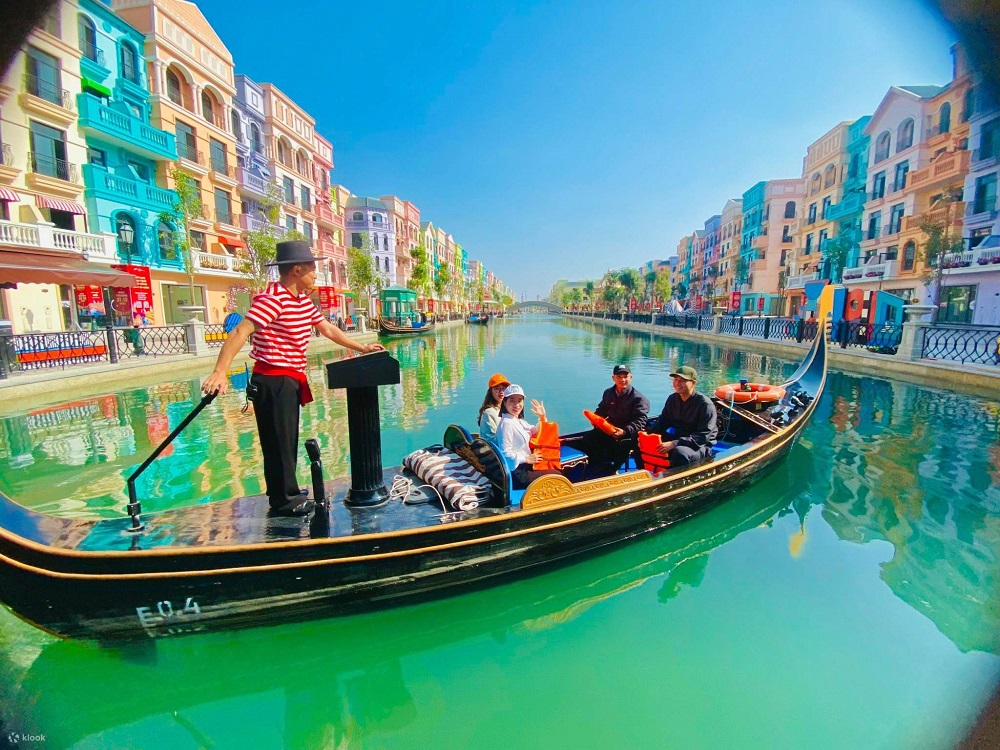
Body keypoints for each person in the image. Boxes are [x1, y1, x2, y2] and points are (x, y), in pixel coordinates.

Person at [202, 240, 385, 516]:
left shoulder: (301, 302)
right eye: (313, 270)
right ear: (297, 270)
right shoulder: (272, 299)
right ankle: (283, 499)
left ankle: (287, 489)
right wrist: (219, 371)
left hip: (290, 379)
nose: (316, 275)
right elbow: (241, 331)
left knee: (286, 439)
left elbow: (328, 330)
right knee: (277, 441)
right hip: (273, 380)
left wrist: (362, 347)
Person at [575, 364, 649, 477]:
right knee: (589, 437)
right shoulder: (608, 393)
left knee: (624, 444)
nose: (622, 380)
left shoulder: (638, 399)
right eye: (619, 377)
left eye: (625, 376)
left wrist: (624, 432)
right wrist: (595, 419)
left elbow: (640, 421)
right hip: (611, 429)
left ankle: (613, 469)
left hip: (628, 433)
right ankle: (595, 465)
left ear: (631, 377)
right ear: (613, 378)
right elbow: (601, 410)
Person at [647, 365, 717, 467]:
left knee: (680, 452)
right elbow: (662, 422)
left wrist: (674, 443)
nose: (677, 383)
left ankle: (674, 479)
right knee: (639, 439)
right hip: (678, 438)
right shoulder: (673, 399)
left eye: (682, 380)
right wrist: (646, 435)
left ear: (693, 383)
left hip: (700, 446)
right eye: (675, 379)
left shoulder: (705, 405)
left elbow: (703, 437)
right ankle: (644, 475)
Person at [496, 384, 561, 490]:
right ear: (504, 402)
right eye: (512, 400)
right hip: (519, 472)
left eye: (519, 400)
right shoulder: (506, 424)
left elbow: (535, 432)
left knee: (553, 465)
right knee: (557, 475)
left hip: (526, 466)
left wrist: (542, 417)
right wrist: (526, 459)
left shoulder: (518, 421)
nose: (516, 405)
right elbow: (505, 454)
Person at [477, 372, 510, 443]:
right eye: (497, 388)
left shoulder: (509, 410)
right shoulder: (489, 413)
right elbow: (492, 441)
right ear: (491, 392)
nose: (501, 391)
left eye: (504, 388)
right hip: (494, 451)